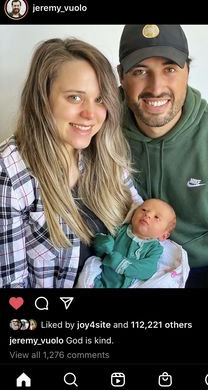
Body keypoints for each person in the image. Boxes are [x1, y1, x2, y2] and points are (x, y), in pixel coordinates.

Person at [0, 37, 142, 288]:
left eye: (100, 100)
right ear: (42, 98)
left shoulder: (105, 152)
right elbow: (12, 287)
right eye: (75, 98)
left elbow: (140, 220)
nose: (90, 114)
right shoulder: (9, 174)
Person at [118, 24, 208, 288]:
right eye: (140, 71)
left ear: (188, 72)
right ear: (121, 77)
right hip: (128, 263)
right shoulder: (98, 129)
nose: (156, 87)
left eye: (169, 69)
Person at [77, 198, 190, 288]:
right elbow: (99, 250)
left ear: (163, 235)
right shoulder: (120, 230)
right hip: (99, 281)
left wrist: (121, 263)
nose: (148, 214)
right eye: (143, 210)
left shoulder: (154, 248)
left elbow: (148, 270)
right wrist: (103, 243)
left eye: (156, 217)